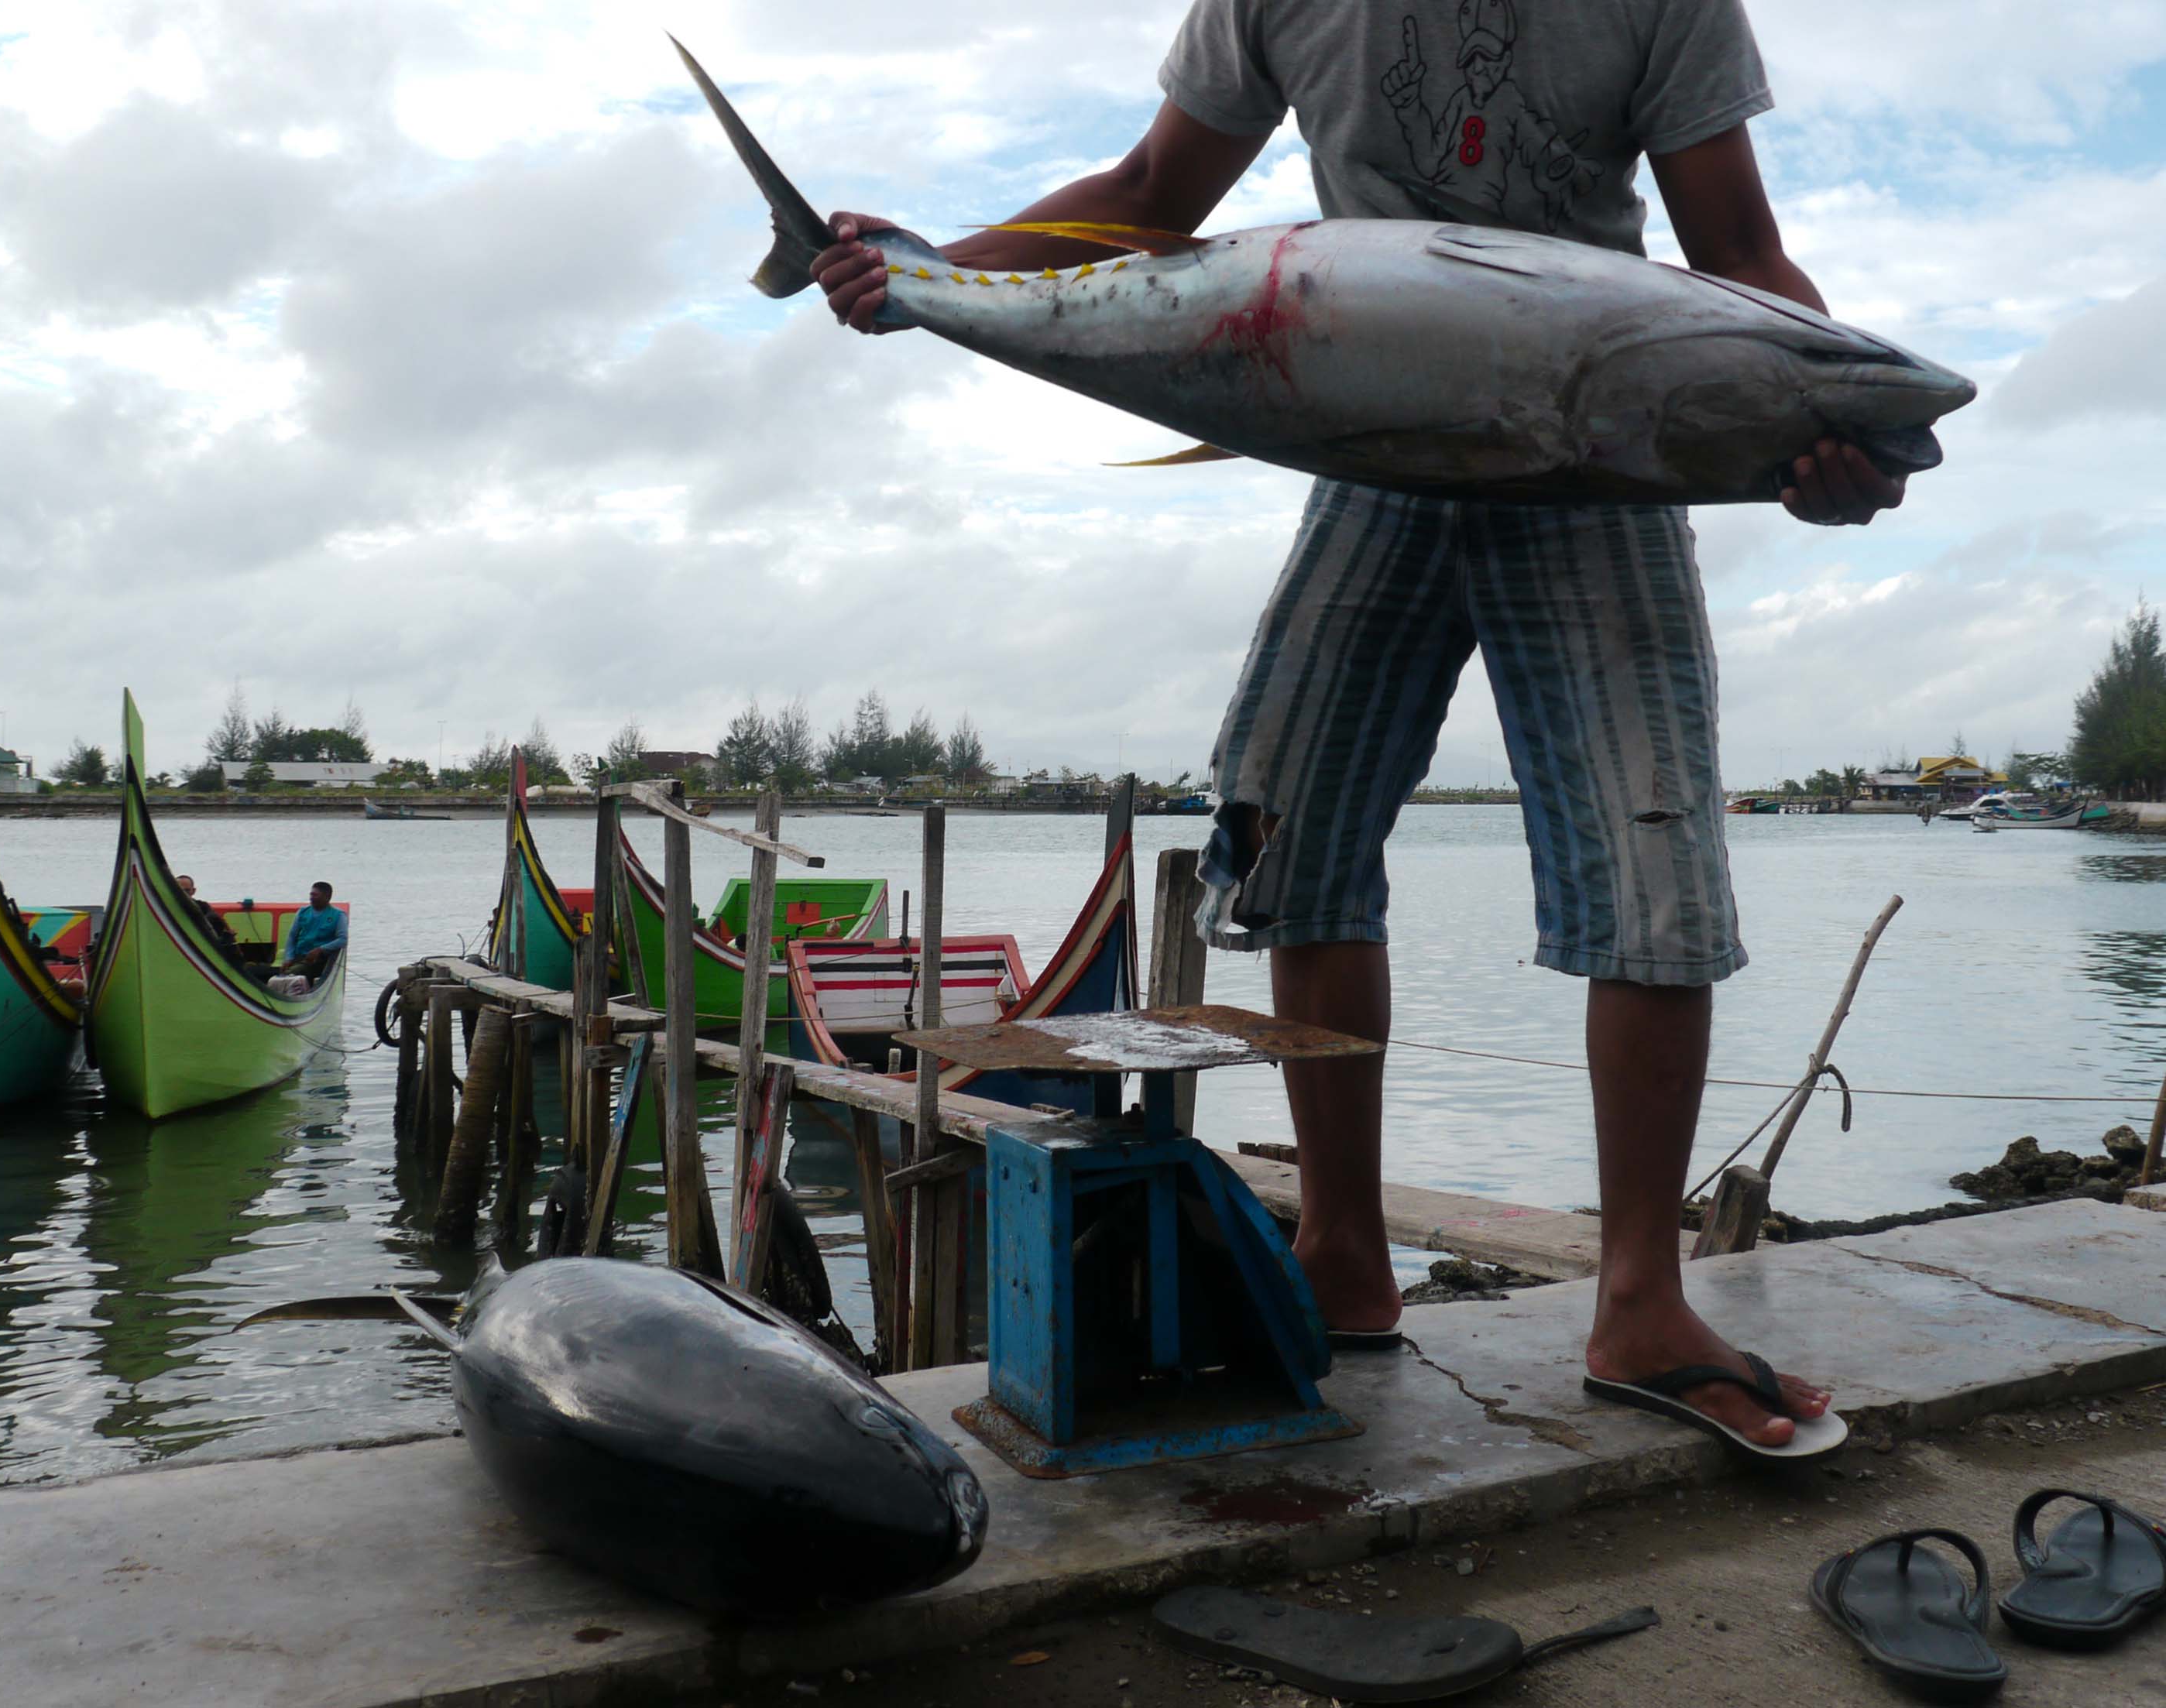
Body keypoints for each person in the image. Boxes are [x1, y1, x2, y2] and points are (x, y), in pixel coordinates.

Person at [812, 0, 1905, 1450]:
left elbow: (1741, 258)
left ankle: (1644, 1298)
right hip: (1373, 440)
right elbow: (1150, 193)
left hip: (1589, 452)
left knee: (1656, 866)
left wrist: (1826, 426)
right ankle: (1341, 1254)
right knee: (1293, 835)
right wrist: (928, 270)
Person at [281, 881, 346, 981]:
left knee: (290, 974)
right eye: (311, 895)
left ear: (327, 897)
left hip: (318, 961)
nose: (311, 898)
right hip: (299, 957)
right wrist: (288, 958)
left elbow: (343, 939)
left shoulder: (339, 915)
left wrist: (320, 949)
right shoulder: (302, 912)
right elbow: (292, 936)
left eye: (315, 895)